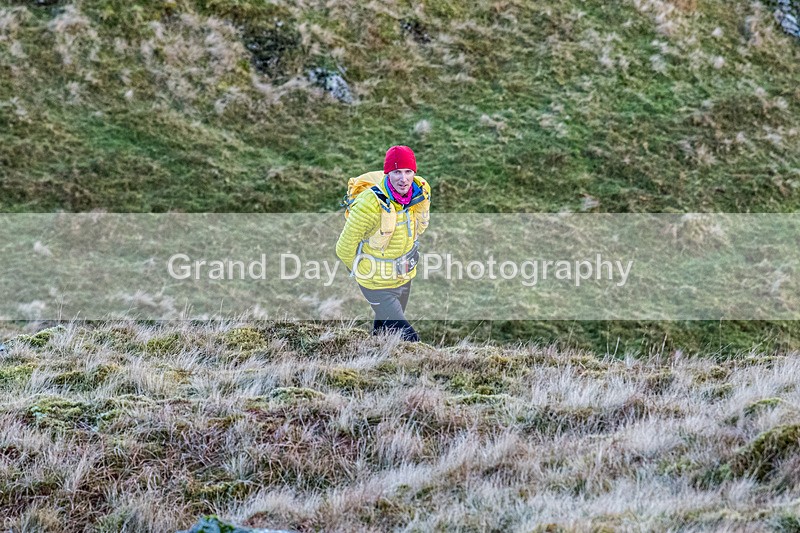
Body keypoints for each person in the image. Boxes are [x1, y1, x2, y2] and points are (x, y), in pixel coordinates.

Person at [336, 145, 431, 342]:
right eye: (397, 172)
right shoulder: (368, 204)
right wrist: (362, 270)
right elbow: (343, 248)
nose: (403, 179)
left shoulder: (420, 191)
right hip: (375, 283)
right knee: (409, 338)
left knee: (386, 332)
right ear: (388, 173)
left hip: (404, 276)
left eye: (408, 172)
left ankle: (374, 360)